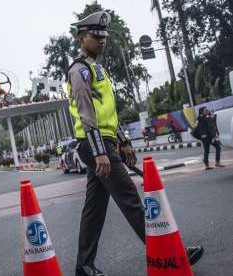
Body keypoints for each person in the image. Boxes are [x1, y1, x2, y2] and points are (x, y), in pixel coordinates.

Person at [67, 11, 204, 276]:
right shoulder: (79, 70)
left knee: (94, 209)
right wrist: (100, 151)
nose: (101, 40)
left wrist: (123, 140)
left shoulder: (98, 69)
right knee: (131, 199)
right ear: (82, 38)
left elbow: (107, 113)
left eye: (103, 36)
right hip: (94, 144)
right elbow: (87, 113)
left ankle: (84, 266)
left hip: (104, 142)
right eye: (95, 36)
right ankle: (168, 254)